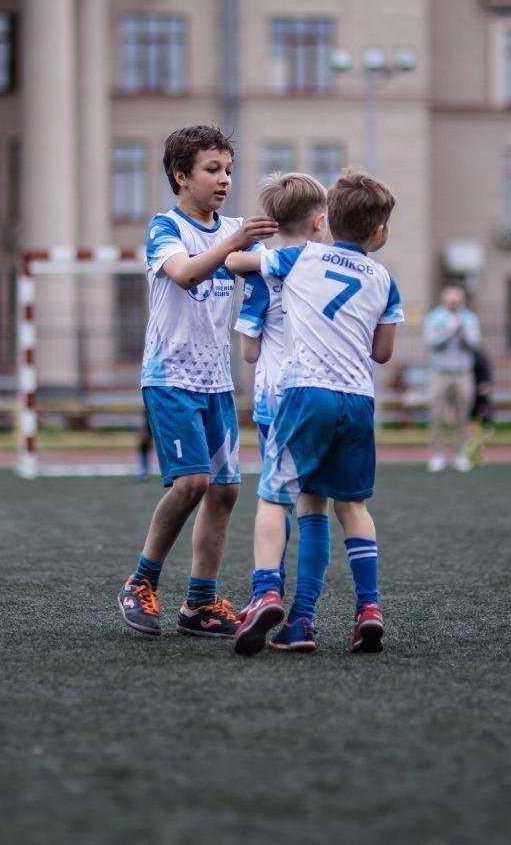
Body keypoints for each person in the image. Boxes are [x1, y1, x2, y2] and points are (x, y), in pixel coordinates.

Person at [226, 170, 403, 656]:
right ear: (379, 231)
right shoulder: (385, 280)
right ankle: (366, 608)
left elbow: (239, 262)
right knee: (351, 506)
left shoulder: (299, 257)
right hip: (358, 399)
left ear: (328, 220)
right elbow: (383, 353)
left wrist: (243, 247)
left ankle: (266, 592)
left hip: (306, 393)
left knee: (273, 496)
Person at [116, 125, 277, 639]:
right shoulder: (165, 228)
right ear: (181, 175)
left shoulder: (235, 230)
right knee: (192, 483)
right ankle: (140, 582)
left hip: (217, 383)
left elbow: (266, 268)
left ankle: (200, 604)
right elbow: (185, 274)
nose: (225, 179)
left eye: (228, 169)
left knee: (225, 491)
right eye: (212, 169)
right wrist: (235, 244)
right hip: (170, 378)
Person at [233, 172, 331, 600]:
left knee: (276, 498)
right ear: (319, 221)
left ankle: (268, 591)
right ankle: (304, 611)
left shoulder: (260, 271)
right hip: (321, 393)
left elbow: (248, 352)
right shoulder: (328, 266)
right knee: (315, 504)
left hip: (273, 399)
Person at [422, 285, 480, 473]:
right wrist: (449, 332)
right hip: (440, 373)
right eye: (450, 300)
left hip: (463, 373)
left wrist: (462, 331)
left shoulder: (470, 318)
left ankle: (459, 455)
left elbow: (475, 344)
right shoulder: (434, 317)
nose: (454, 303)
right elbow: (430, 342)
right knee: (437, 414)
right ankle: (437, 455)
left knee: (463, 414)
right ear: (444, 300)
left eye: (457, 300)